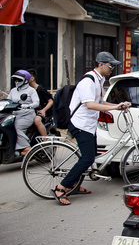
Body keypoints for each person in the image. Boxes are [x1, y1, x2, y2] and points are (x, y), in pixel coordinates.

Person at [51, 52, 131, 205]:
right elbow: (90, 104)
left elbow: (100, 101)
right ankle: (61, 187)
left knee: (91, 155)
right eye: (110, 65)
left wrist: (118, 105)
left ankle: (75, 184)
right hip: (80, 125)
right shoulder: (88, 80)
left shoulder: (98, 80)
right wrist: (115, 107)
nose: (112, 69)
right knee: (87, 158)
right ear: (101, 64)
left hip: (88, 125)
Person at [8, 70, 40, 157]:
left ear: (26, 80)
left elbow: (36, 103)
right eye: (15, 80)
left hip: (27, 115)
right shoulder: (13, 90)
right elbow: (8, 101)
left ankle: (26, 147)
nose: (17, 82)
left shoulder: (31, 91)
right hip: (15, 115)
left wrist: (27, 106)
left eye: (19, 80)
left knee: (16, 127)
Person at [27, 69, 53, 138]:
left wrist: (43, 110)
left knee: (37, 120)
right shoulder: (27, 91)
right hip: (30, 112)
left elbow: (51, 101)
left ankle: (45, 140)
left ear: (32, 78)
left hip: (42, 113)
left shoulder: (40, 89)